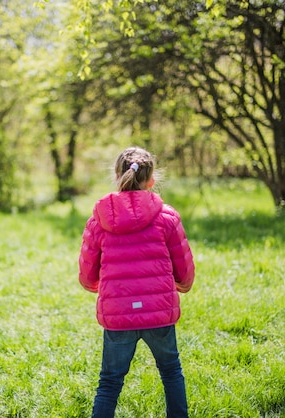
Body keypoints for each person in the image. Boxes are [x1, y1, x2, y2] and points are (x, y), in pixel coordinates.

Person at [79, 146, 195, 418]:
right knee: (171, 372)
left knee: (109, 382)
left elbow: (87, 275)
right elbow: (184, 268)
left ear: (117, 176)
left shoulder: (99, 220)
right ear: (152, 180)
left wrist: (103, 290)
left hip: (118, 315)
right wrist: (182, 284)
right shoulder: (167, 217)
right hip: (159, 312)